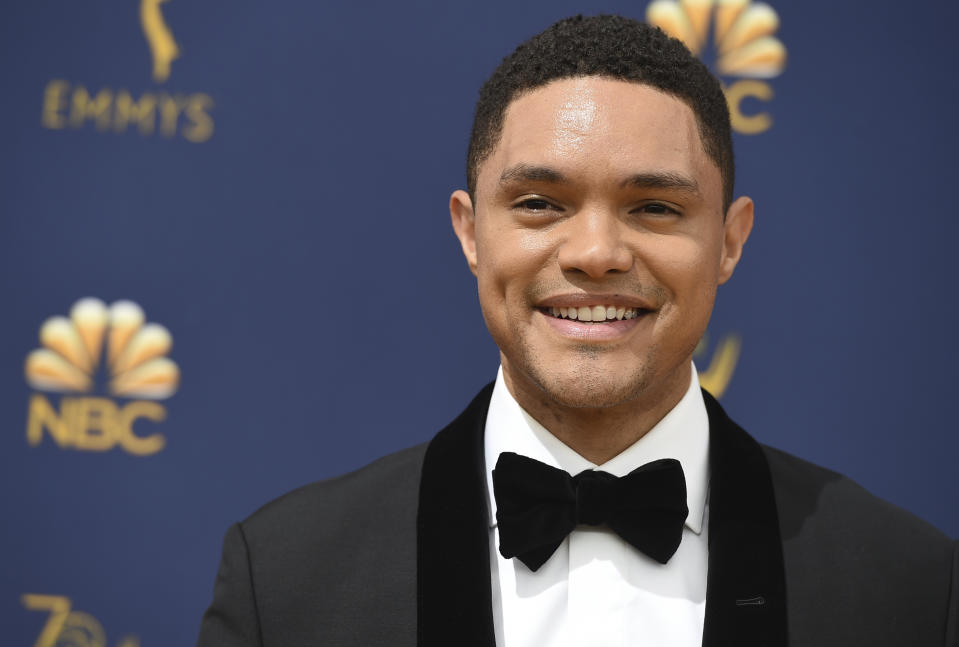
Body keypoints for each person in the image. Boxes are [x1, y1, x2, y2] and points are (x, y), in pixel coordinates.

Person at [196, 15, 957, 647]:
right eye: (538, 203)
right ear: (469, 232)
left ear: (729, 241)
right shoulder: (286, 581)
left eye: (654, 207)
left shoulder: (910, 588)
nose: (595, 254)